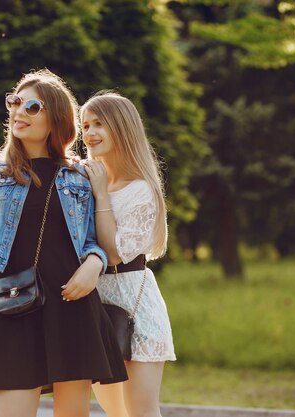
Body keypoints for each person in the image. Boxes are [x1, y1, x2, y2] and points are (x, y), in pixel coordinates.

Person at [0, 70, 127, 417]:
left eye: (32, 106)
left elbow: (95, 239)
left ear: (56, 118)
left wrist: (94, 264)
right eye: (15, 102)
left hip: (72, 302)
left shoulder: (82, 174)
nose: (19, 111)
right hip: (17, 305)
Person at [80, 92, 176, 417]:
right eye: (85, 125)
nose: (89, 133)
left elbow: (114, 254)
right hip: (97, 310)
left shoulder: (140, 189)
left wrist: (102, 193)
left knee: (141, 412)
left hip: (136, 312)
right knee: (115, 413)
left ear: (121, 127)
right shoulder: (85, 180)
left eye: (98, 124)